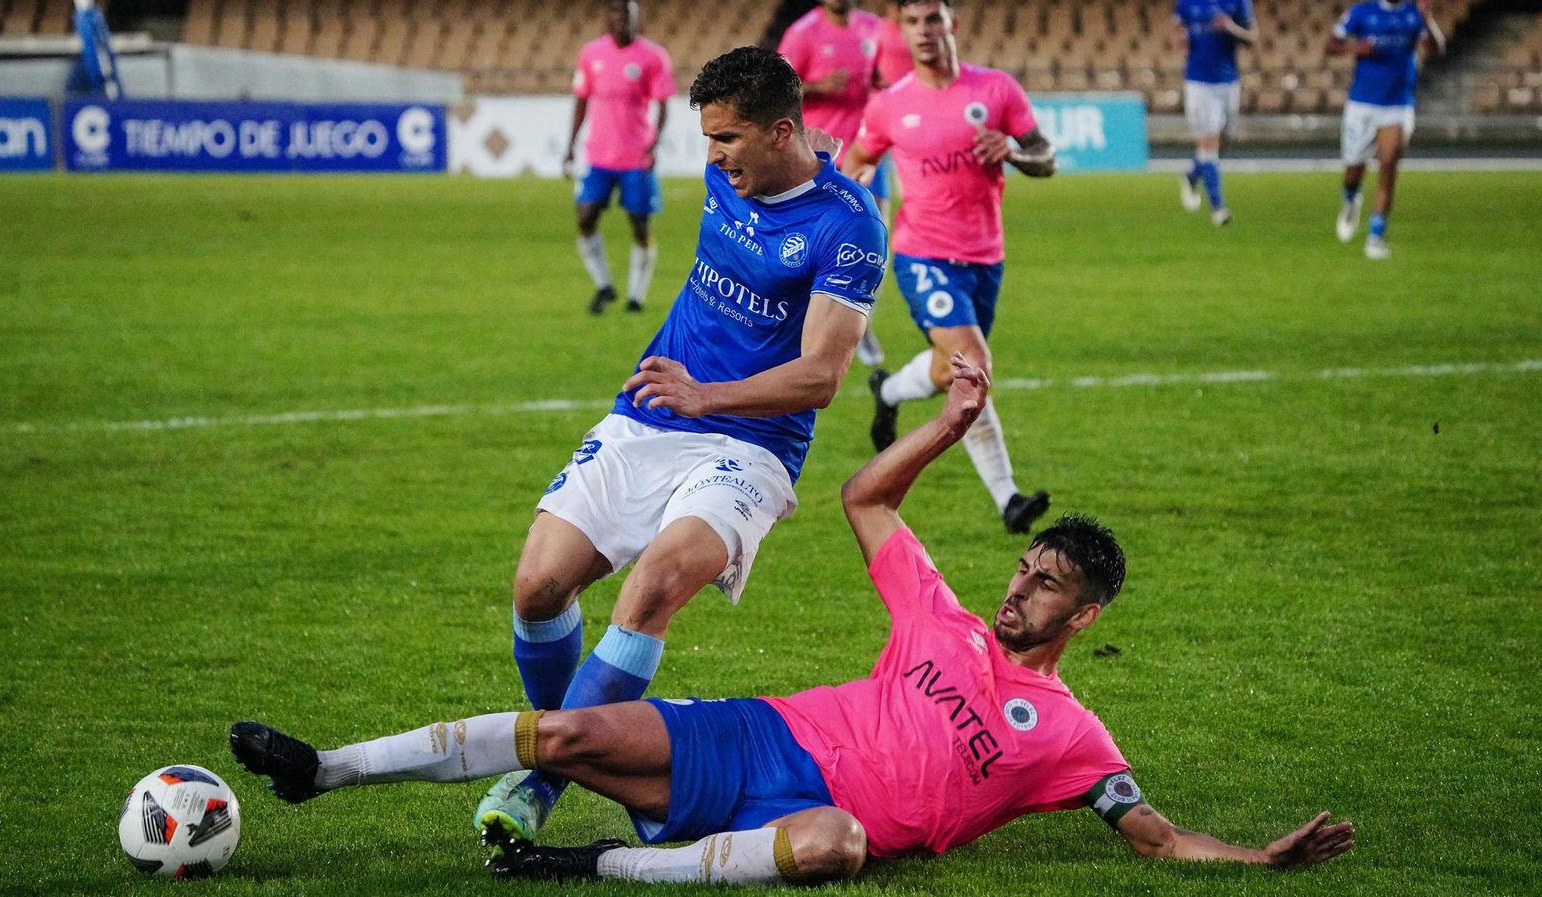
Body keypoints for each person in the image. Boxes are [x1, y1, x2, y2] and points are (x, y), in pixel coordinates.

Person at [229, 356, 1356, 886]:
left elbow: (1154, 836)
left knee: (835, 849)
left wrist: (1259, 856)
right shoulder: (942, 617)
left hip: (815, 815)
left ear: (1086, 613)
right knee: (564, 733)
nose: (1019, 589)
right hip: (763, 736)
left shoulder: (1070, 736)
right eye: (1023, 568)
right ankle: (322, 771)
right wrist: (948, 426)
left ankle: (589, 864)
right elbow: (864, 500)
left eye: (1047, 584)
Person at [477, 45, 887, 850]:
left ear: (778, 132)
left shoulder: (850, 227)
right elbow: (794, 152)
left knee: (655, 585)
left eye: (727, 138)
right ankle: (580, 746)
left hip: (752, 443)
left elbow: (821, 375)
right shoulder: (736, 171)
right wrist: (686, 394)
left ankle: (541, 776)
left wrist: (708, 395)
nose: (713, 156)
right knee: (537, 587)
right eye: (708, 139)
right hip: (653, 410)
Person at [841, 0, 1054, 535]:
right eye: (912, 22)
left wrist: (1014, 153)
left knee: (947, 369)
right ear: (903, 32)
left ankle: (889, 391)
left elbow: (1045, 157)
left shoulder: (997, 90)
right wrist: (855, 191)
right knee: (973, 363)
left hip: (985, 258)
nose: (923, 31)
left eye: (932, 19)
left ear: (952, 24)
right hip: (922, 254)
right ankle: (1008, 498)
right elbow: (857, 162)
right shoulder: (890, 105)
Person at [778, 0, 890, 365]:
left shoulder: (875, 27)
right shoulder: (803, 33)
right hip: (819, 153)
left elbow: (886, 77)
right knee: (810, 245)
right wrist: (818, 86)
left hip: (867, 150)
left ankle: (859, 322)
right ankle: (800, 320)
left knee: (875, 240)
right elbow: (776, 90)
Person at [565, 1, 675, 313]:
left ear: (637, 18)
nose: (621, 19)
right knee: (585, 215)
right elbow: (581, 100)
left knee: (640, 224)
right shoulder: (591, 54)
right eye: (615, 12)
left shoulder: (653, 56)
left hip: (635, 157)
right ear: (607, 17)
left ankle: (636, 296)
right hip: (598, 155)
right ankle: (604, 286)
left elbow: (663, 104)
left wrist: (653, 145)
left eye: (627, 13)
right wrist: (570, 145)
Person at [1327, 0, 1445, 260]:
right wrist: (1356, 48)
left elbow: (1436, 49)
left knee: (1388, 165)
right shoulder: (1362, 12)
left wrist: (1427, 20)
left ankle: (1375, 238)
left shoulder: (1414, 13)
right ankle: (1351, 199)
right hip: (1362, 103)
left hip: (1398, 104)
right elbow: (1331, 46)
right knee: (1353, 170)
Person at [1174, 0, 1258, 227]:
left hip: (1229, 80)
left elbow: (1252, 38)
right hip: (1199, 83)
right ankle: (1218, 208)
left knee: (1222, 142)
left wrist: (1230, 27)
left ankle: (1191, 176)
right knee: (1209, 144)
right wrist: (1180, 39)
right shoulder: (1187, 3)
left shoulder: (1239, 2)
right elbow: (1177, 30)